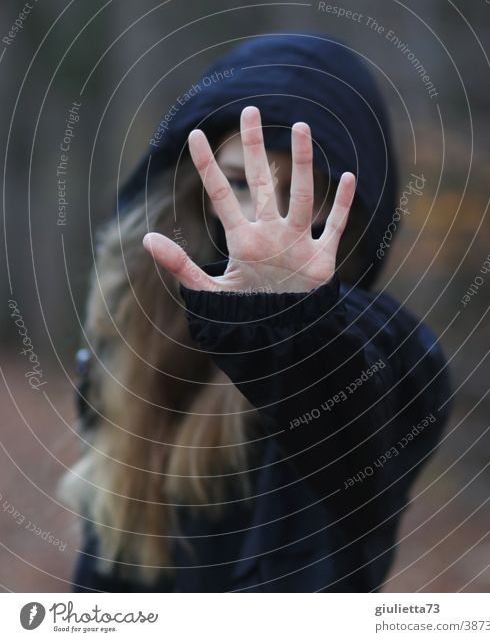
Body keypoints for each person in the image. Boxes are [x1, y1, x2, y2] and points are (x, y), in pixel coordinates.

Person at [59, 33, 453, 592]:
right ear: (199, 184)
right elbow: (106, 558)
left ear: (354, 205)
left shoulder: (388, 350)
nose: (259, 219)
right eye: (239, 181)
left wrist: (290, 317)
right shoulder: (134, 316)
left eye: (297, 190)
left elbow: (347, 404)